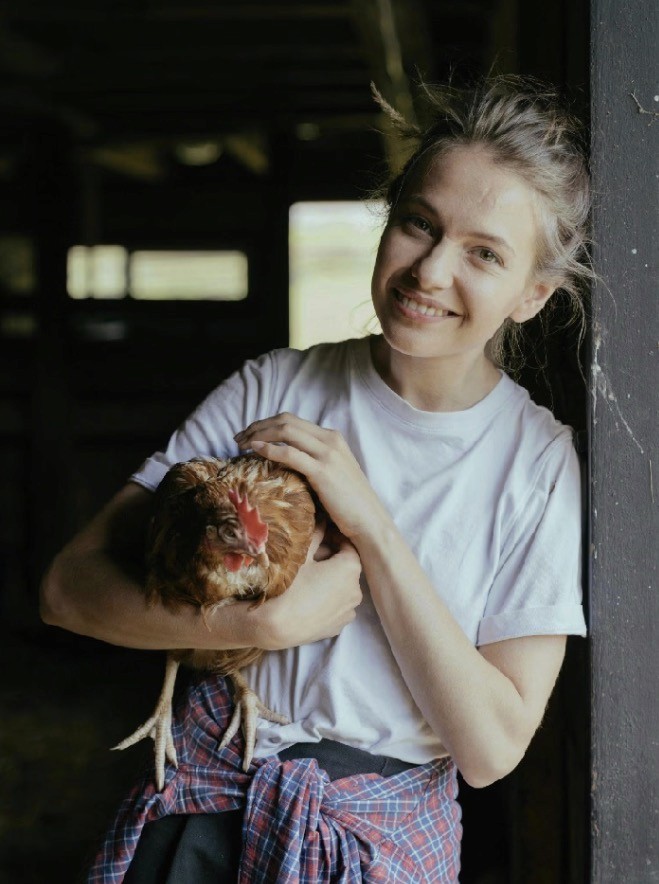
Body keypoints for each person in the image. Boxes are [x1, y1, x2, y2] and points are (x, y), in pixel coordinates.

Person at [40, 75, 590, 883]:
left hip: (372, 845)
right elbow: (66, 591)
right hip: (203, 807)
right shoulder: (275, 389)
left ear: (531, 295)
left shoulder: (536, 464)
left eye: (483, 253)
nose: (430, 272)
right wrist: (258, 629)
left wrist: (370, 524)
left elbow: (491, 749)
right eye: (418, 224)